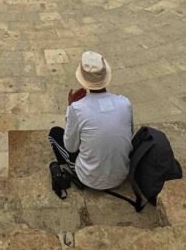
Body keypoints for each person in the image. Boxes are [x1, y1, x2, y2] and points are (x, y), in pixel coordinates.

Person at [49, 51, 133, 191]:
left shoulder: (77, 108)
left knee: (54, 134)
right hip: (122, 174)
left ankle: (73, 167)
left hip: (90, 179)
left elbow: (70, 147)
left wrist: (70, 106)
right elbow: (129, 134)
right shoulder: (124, 103)